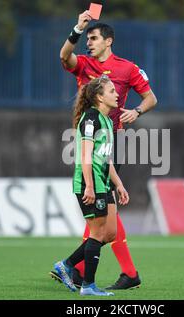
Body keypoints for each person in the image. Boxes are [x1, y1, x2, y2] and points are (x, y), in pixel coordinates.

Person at [50, 10, 158, 290]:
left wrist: (136, 111)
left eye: (94, 38)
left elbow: (150, 98)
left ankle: (79, 268)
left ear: (108, 41)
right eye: (88, 38)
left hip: (114, 142)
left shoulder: (127, 68)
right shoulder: (82, 63)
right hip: (90, 139)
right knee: (104, 213)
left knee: (104, 212)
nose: (89, 43)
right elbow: (64, 56)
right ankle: (102, 271)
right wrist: (77, 28)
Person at [53, 75, 129, 296]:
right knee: (97, 234)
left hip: (103, 184)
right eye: (112, 91)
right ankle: (88, 285)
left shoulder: (107, 120)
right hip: (91, 184)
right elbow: (85, 156)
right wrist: (89, 187)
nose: (117, 94)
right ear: (99, 96)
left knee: (109, 233)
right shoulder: (90, 119)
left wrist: (119, 184)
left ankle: (66, 265)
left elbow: (105, 159)